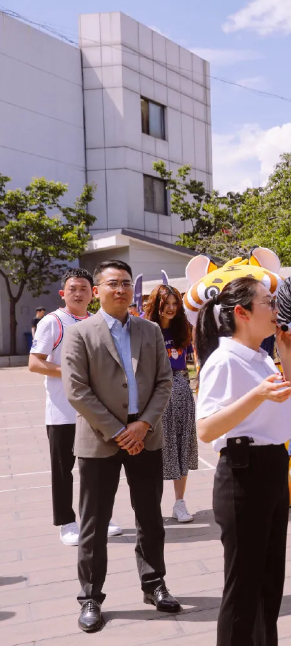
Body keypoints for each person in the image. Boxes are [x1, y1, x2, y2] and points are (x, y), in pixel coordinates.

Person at [62, 260, 179, 633]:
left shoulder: (149, 330)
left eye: (127, 283)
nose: (121, 290)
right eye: (113, 284)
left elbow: (165, 382)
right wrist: (118, 431)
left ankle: (154, 584)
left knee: (150, 517)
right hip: (100, 439)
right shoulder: (81, 333)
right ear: (96, 291)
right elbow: (76, 390)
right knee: (94, 522)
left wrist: (143, 425)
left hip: (146, 435)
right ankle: (91, 597)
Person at [194, 277, 291, 645]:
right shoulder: (223, 360)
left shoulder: (261, 356)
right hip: (242, 473)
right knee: (242, 588)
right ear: (242, 313)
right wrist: (257, 395)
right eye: (269, 304)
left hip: (273, 466)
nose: (276, 311)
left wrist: (286, 357)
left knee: (269, 583)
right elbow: (206, 429)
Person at [29, 269, 122, 546]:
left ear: (93, 293)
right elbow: (35, 363)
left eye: (83, 288)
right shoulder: (53, 322)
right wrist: (72, 372)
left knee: (96, 469)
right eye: (73, 289)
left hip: (95, 411)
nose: (78, 293)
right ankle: (66, 523)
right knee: (63, 470)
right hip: (62, 412)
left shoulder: (98, 322)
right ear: (63, 293)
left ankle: (97, 517)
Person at [143, 285, 198, 523]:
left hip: (182, 389)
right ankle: (151, 504)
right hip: (156, 393)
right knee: (156, 449)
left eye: (176, 304)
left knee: (182, 445)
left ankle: (179, 503)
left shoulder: (182, 329)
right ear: (157, 305)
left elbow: (192, 360)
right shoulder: (145, 330)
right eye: (167, 304)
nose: (172, 308)